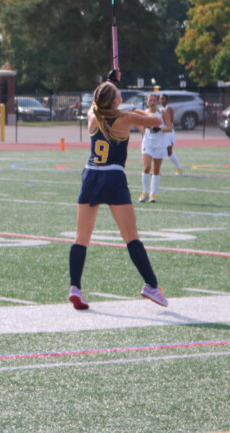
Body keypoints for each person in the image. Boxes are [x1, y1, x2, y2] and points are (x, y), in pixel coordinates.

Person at [67, 81, 168, 311]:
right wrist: (137, 110)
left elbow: (95, 104)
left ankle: (75, 287)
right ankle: (151, 285)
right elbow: (157, 120)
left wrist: (108, 83)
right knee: (131, 237)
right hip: (113, 177)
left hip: (91, 176)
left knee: (81, 237)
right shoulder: (125, 118)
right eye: (118, 94)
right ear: (115, 101)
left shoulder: (93, 116)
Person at [138, 93, 168, 203]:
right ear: (147, 102)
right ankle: (145, 192)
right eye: (150, 100)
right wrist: (147, 128)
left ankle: (153, 194)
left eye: (154, 100)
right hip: (147, 142)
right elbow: (140, 127)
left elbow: (169, 127)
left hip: (159, 143)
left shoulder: (162, 112)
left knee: (156, 169)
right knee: (146, 167)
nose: (152, 102)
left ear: (157, 101)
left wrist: (160, 128)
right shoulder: (144, 113)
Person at [159, 94, 184, 175]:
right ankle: (157, 170)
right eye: (160, 99)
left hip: (168, 133)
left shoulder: (168, 108)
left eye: (163, 98)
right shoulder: (160, 109)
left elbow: (170, 120)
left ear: (167, 100)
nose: (161, 100)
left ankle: (179, 168)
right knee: (160, 150)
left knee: (169, 151)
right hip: (163, 132)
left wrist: (160, 122)